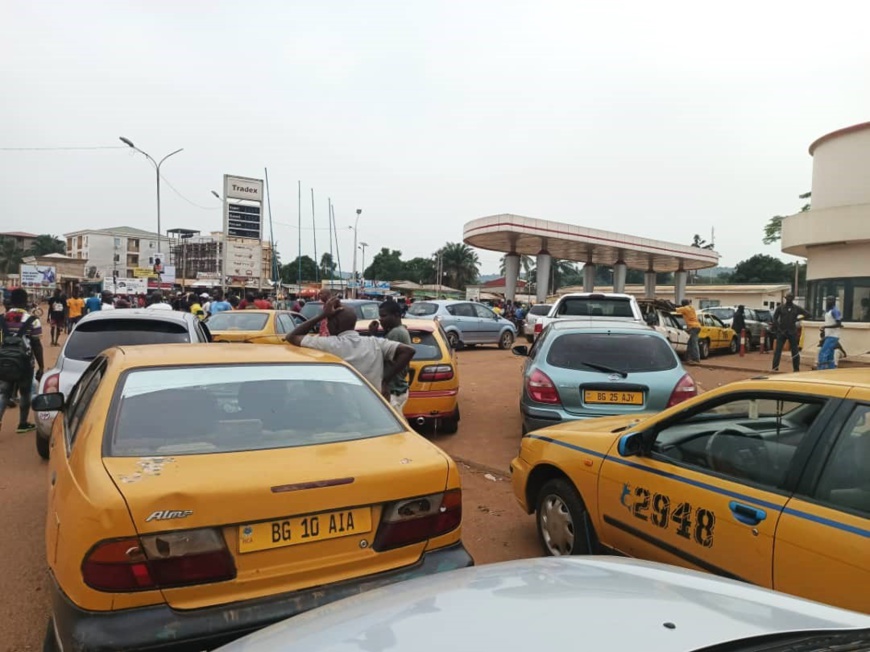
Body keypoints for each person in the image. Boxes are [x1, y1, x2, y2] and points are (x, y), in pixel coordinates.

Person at [285, 297, 415, 397]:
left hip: (345, 408)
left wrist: (322, 315)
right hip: (374, 406)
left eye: (328, 322)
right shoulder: (375, 343)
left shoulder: (329, 344)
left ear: (334, 324)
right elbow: (408, 351)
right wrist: (384, 380)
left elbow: (292, 336)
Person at [0, 288, 45, 433]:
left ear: (11, 301)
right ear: (26, 301)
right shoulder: (32, 320)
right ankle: (23, 424)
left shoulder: (2, 318)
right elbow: (36, 345)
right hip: (25, 363)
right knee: (25, 393)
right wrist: (41, 366)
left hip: (4, 361)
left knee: (4, 393)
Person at [369, 300, 411, 410]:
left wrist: (372, 336)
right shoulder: (397, 331)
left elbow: (377, 355)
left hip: (393, 391)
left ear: (396, 315)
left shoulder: (396, 333)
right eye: (380, 316)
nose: (380, 319)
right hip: (397, 389)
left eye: (384, 316)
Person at [771, 293, 810, 372]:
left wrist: (798, 319)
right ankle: (775, 367)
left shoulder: (796, 308)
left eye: (791, 297)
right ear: (785, 298)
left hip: (792, 332)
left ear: (793, 298)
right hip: (782, 332)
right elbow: (774, 318)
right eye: (788, 297)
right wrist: (778, 328)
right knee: (778, 350)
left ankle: (796, 368)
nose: (789, 298)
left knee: (795, 351)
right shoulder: (780, 308)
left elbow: (808, 314)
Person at [817, 296, 843, 370]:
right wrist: (824, 329)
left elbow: (839, 324)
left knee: (823, 353)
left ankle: (821, 370)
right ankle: (831, 370)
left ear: (834, 301)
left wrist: (826, 327)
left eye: (831, 300)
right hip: (828, 335)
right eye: (828, 300)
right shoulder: (828, 311)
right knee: (830, 354)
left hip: (833, 336)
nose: (829, 301)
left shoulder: (835, 311)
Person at [676, 299, 702, 364]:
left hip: (693, 327)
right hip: (697, 326)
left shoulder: (685, 308)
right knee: (690, 343)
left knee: (694, 343)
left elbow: (676, 310)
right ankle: (689, 359)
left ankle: (696, 359)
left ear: (683, 304)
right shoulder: (691, 307)